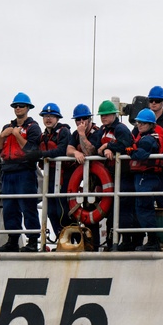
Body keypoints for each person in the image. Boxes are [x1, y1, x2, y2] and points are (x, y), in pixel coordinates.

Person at [0, 92, 42, 252]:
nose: (18, 108)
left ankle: (33, 241)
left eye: (21, 106)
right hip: (8, 172)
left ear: (28, 108)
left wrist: (17, 135)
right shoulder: (6, 128)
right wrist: (2, 136)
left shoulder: (33, 127)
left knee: (28, 207)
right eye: (15, 106)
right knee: (9, 208)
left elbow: (32, 150)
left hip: (25, 172)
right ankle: (12, 241)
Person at [95, 100, 138, 251]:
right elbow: (95, 146)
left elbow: (126, 144)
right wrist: (102, 149)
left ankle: (127, 241)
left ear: (114, 115)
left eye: (106, 115)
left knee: (124, 209)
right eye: (102, 115)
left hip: (125, 175)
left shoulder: (120, 129)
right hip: (111, 176)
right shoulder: (103, 130)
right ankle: (111, 243)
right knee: (112, 211)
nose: (103, 118)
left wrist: (108, 146)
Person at [129, 108, 163, 251]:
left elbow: (141, 154)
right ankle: (153, 240)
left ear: (151, 125)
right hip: (146, 177)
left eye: (144, 123)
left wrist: (130, 150)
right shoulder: (149, 136)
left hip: (146, 178)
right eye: (139, 123)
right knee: (143, 208)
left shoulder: (148, 139)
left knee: (144, 208)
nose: (140, 125)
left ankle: (153, 241)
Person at [66, 103, 101, 250]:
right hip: (84, 180)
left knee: (98, 213)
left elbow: (91, 151)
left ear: (90, 119)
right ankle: (85, 244)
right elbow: (68, 149)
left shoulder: (97, 132)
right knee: (85, 211)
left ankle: (97, 245)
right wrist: (76, 153)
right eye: (77, 120)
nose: (81, 123)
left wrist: (82, 135)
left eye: (84, 119)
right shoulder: (75, 134)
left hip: (100, 180)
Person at [37, 103, 71, 241]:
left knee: (62, 210)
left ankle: (71, 239)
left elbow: (62, 150)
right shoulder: (44, 135)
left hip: (63, 176)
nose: (48, 119)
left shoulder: (63, 132)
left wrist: (43, 154)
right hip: (49, 177)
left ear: (57, 118)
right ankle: (60, 239)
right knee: (50, 211)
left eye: (51, 116)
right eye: (46, 116)